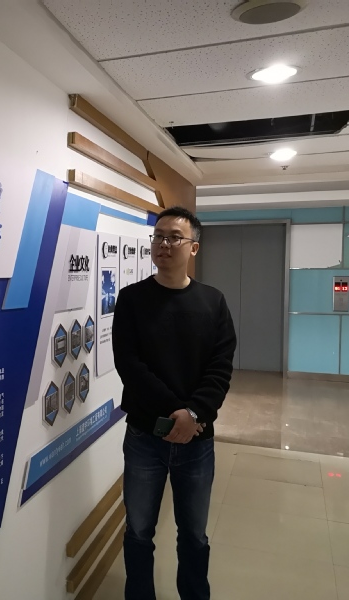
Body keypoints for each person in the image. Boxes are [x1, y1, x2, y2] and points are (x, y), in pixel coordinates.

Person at [112, 206, 237, 600]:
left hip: (197, 443)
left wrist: (194, 413)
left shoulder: (213, 302)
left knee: (194, 535)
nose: (163, 244)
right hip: (145, 437)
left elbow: (221, 367)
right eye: (158, 236)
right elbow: (129, 366)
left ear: (193, 247)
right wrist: (177, 413)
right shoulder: (132, 299)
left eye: (174, 237)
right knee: (138, 531)